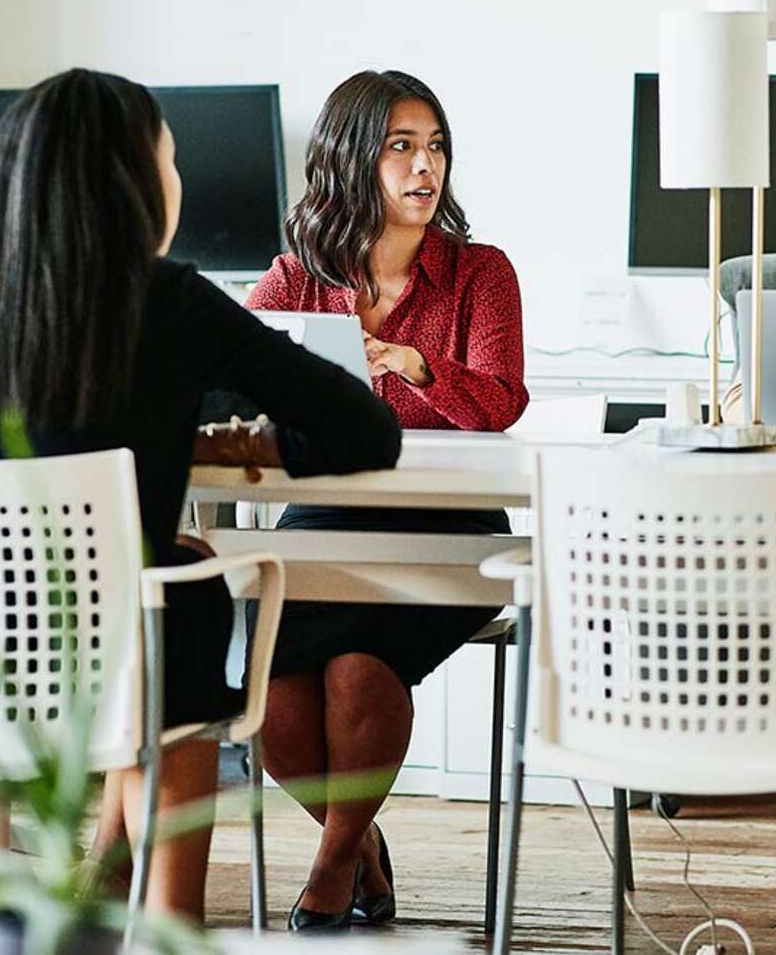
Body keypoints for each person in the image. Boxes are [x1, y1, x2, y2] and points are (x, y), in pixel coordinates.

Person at [0, 68, 401, 923]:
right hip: (107, 672)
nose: (177, 181)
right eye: (168, 161)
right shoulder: (170, 300)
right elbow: (363, 430)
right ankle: (170, 921)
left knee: (163, 586)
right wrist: (250, 442)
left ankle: (86, 885)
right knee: (184, 585)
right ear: (131, 184)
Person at [246, 68, 528, 931]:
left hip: (450, 525)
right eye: (401, 146)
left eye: (435, 145)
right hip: (325, 524)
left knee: (361, 672)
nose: (424, 167)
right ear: (351, 160)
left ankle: (333, 864)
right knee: (268, 692)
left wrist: (414, 364)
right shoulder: (298, 279)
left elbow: (501, 403)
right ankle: (361, 843)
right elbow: (231, 378)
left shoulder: (480, 272)